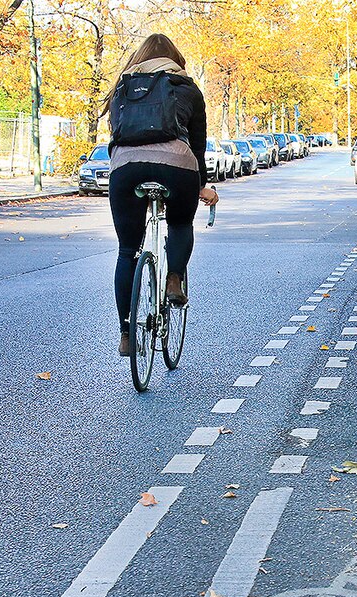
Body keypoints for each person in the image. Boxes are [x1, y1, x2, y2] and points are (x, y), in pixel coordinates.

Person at [105, 34, 219, 357]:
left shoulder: (121, 88)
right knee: (181, 223)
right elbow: (197, 147)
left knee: (127, 250)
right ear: (175, 60)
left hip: (125, 169)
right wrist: (200, 187)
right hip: (177, 167)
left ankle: (126, 333)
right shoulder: (188, 89)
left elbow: (116, 135)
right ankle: (173, 278)